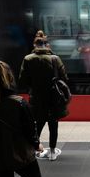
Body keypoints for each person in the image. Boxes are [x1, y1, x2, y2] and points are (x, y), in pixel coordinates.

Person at [19, 30, 68, 161]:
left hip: (36, 97)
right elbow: (64, 78)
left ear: (35, 45)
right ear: (47, 45)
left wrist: (33, 87)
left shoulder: (28, 59)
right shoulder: (55, 59)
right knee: (53, 124)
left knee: (37, 123)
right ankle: (52, 152)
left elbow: (23, 79)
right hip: (53, 98)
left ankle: (34, 148)